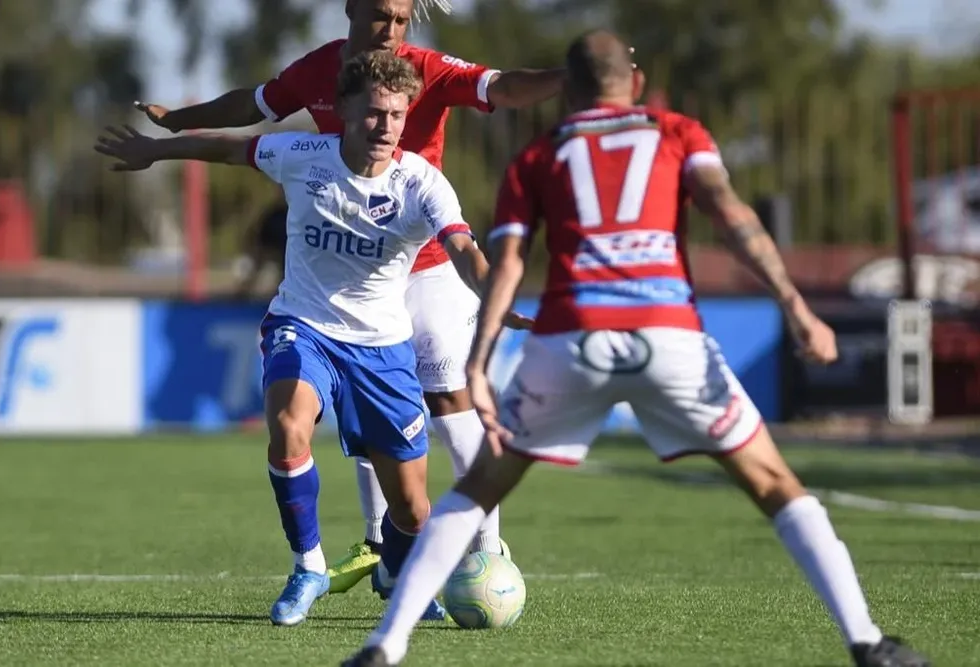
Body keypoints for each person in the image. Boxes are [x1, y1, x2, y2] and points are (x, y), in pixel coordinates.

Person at [340, 30, 931, 667]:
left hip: (572, 338)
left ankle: (385, 646)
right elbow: (731, 215)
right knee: (776, 484)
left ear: (567, 91)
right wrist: (795, 304)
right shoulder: (678, 132)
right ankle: (867, 643)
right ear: (637, 84)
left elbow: (506, 262)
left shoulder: (539, 155)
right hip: (667, 332)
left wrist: (480, 360)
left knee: (476, 490)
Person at [133, 0, 564, 596]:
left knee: (447, 400)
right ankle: (379, 545)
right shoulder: (318, 71)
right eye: (381, 16)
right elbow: (251, 110)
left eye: (401, 18)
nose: (391, 30)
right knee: (358, 409)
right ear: (351, 9)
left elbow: (506, 88)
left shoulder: (427, 69)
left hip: (430, 263)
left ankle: (487, 549)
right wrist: (179, 121)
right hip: (344, 276)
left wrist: (571, 79)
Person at [97, 50, 499, 627]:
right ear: (341, 110)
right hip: (303, 325)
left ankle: (395, 565)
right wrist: (155, 150)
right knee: (289, 426)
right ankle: (308, 564)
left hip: (383, 348)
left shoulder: (423, 184)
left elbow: (464, 251)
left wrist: (498, 297)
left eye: (396, 114)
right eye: (372, 113)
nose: (385, 126)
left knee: (412, 510)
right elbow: (228, 148)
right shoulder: (301, 155)